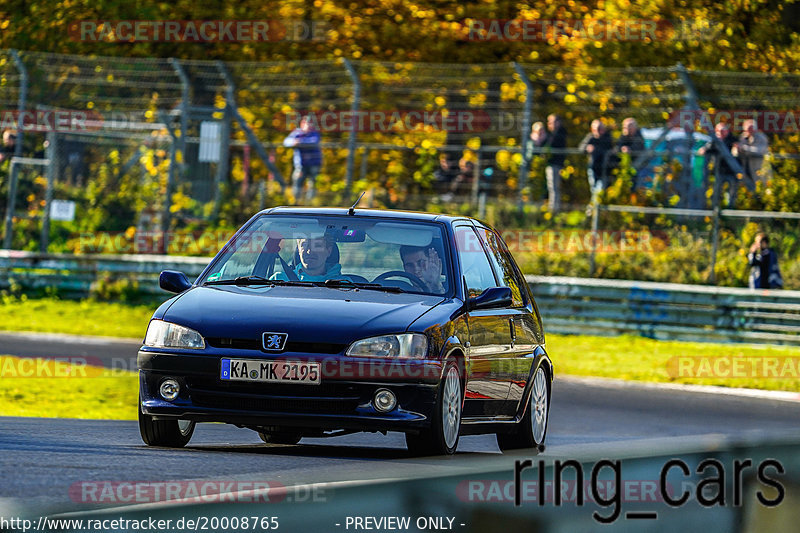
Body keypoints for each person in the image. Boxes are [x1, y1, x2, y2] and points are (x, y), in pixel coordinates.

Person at [698, 122, 739, 207]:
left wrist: (736, 149)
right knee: (716, 191)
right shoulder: (715, 141)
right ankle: (715, 210)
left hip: (731, 171)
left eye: (723, 131)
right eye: (719, 131)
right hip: (719, 170)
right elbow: (707, 149)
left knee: (732, 192)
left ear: (727, 131)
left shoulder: (733, 140)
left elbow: (737, 150)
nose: (721, 133)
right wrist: (704, 149)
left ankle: (730, 210)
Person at [283, 116, 322, 204]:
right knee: (297, 182)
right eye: (307, 123)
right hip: (300, 165)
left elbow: (313, 142)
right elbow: (286, 142)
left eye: (310, 124)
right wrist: (294, 142)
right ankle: (296, 202)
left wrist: (299, 142)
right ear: (302, 124)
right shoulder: (297, 132)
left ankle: (310, 203)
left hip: (314, 164)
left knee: (313, 184)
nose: (309, 126)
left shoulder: (314, 133)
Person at [272, 235, 343, 281]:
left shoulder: (346, 285)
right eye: (305, 245)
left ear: (329, 251)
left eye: (317, 246)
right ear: (298, 250)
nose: (309, 251)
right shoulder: (278, 280)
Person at [579, 119, 614, 192]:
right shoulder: (590, 137)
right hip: (593, 167)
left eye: (600, 129)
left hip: (605, 168)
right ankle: (595, 203)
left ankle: (596, 203)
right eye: (596, 129)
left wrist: (596, 149)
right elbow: (581, 148)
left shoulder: (607, 138)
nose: (598, 131)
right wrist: (587, 148)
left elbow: (609, 150)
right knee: (594, 189)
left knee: (601, 189)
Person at [541, 114, 567, 212]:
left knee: (553, 187)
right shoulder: (551, 134)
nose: (549, 124)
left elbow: (552, 145)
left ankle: (553, 209)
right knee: (551, 186)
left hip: (555, 164)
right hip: (550, 164)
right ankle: (551, 207)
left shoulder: (559, 133)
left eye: (552, 122)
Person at [736, 119, 770, 188]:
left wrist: (744, 148)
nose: (749, 131)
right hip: (745, 168)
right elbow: (737, 152)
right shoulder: (743, 137)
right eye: (747, 129)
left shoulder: (762, 138)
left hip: (759, 168)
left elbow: (760, 151)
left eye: (751, 129)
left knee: (761, 188)